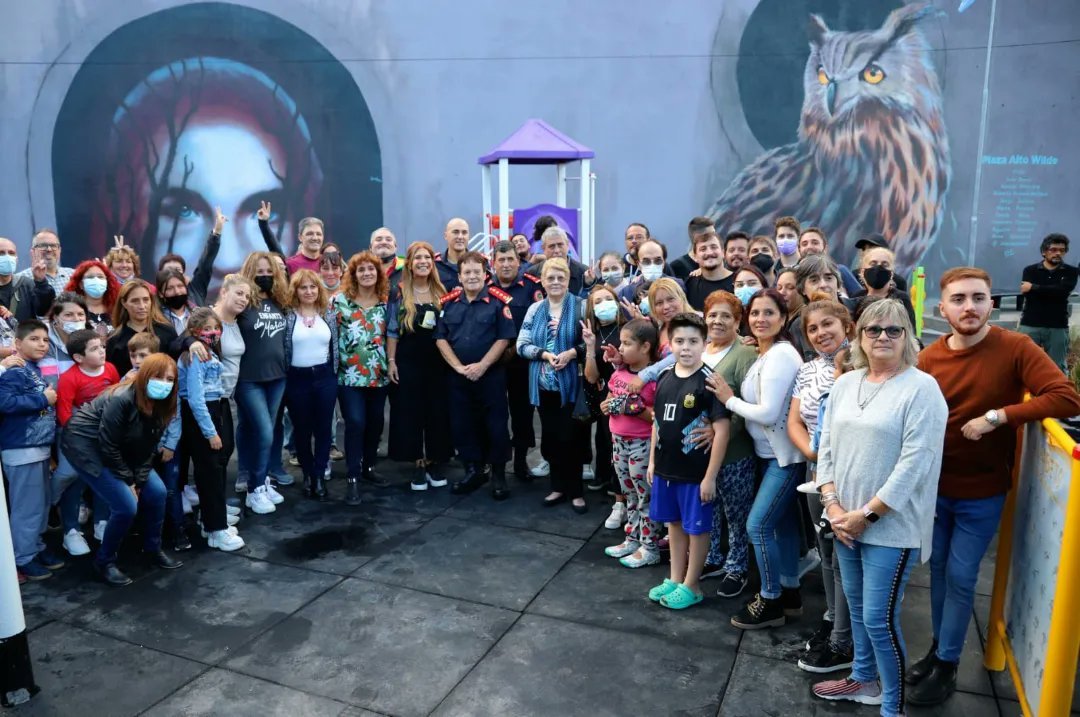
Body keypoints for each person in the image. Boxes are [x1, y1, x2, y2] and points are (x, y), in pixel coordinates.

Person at [911, 267, 1080, 706]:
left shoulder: (1015, 347)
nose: (969, 307)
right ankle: (939, 649)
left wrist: (998, 417)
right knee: (938, 572)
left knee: (962, 575)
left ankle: (948, 664)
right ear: (943, 308)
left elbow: (1066, 396)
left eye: (978, 298)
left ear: (991, 304)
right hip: (935, 490)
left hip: (982, 491)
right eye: (959, 299)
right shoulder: (929, 358)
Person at [811, 299, 948, 713]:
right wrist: (834, 507)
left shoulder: (922, 388)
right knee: (857, 610)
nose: (883, 337)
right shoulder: (845, 384)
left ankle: (893, 706)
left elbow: (915, 464)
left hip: (890, 527)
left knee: (879, 620)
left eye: (893, 330)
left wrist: (867, 515)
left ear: (907, 337)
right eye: (873, 329)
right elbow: (826, 448)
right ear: (860, 336)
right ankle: (863, 679)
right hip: (843, 521)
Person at [712, 288, 806, 630]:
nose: (760, 319)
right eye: (755, 313)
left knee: (758, 525)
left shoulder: (781, 355)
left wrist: (729, 399)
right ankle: (790, 592)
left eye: (769, 313)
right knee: (783, 524)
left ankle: (770, 599)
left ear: (783, 318)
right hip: (770, 455)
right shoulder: (766, 352)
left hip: (784, 458)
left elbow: (767, 413)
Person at [62, 353, 185, 585]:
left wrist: (138, 481)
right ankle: (104, 562)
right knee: (126, 506)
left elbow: (148, 447)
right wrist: (129, 482)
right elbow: (108, 445)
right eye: (158, 377)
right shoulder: (121, 398)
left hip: (124, 447)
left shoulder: (165, 402)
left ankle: (153, 549)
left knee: (158, 493)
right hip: (87, 446)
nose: (164, 383)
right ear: (145, 376)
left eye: (170, 379)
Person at [788, 297, 855, 674]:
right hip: (816, 472)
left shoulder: (862, 363)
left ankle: (846, 638)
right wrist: (814, 456)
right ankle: (832, 619)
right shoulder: (808, 369)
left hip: (851, 474)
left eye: (827, 324)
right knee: (825, 550)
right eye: (812, 328)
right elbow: (795, 421)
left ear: (846, 325)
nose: (820, 333)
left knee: (845, 555)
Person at [646, 312, 731, 609]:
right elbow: (657, 423)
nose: (686, 347)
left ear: (704, 343)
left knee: (697, 529)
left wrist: (710, 477)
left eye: (693, 341)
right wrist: (653, 462)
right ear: (669, 343)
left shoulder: (709, 381)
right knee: (674, 524)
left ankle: (692, 585)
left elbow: (722, 431)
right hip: (666, 470)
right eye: (679, 341)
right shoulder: (664, 376)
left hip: (695, 474)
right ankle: (675, 578)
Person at [435, 251, 516, 498]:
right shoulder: (448, 303)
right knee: (463, 424)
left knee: (496, 425)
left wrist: (482, 365)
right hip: (458, 377)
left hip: (490, 376)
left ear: (485, 275)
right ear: (459, 277)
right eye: (467, 272)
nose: (472, 276)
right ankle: (473, 471)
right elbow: (440, 338)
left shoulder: (498, 302)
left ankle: (499, 475)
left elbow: (504, 339)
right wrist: (458, 367)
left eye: (476, 272)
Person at [517, 258, 590, 511]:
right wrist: (544, 355)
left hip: (573, 386)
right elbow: (521, 345)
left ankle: (576, 491)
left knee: (573, 438)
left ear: (569, 280)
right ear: (542, 281)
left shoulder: (581, 306)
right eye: (551, 278)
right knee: (551, 438)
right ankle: (557, 487)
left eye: (561, 277)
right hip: (543, 387)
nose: (556, 282)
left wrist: (571, 353)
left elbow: (592, 342)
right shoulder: (535, 309)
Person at [698, 291, 757, 598]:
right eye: (712, 315)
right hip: (700, 454)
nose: (718, 321)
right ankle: (712, 557)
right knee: (710, 508)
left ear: (737, 321)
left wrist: (718, 434)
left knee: (736, 513)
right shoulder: (699, 349)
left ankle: (737, 567)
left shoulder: (745, 355)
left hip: (734, 452)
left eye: (725, 316)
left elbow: (747, 405)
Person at [0, 319, 63, 581]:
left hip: (38, 449)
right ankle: (23, 557)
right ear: (17, 343)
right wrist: (42, 399)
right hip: (21, 449)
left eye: (45, 340)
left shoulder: (34, 369)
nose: (42, 344)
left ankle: (35, 546)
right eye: (34, 339)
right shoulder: (14, 370)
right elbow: (4, 402)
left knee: (40, 504)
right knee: (27, 507)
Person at [178, 308, 245, 552]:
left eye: (216, 328)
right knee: (209, 472)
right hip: (203, 415)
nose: (213, 332)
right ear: (195, 332)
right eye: (207, 329)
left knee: (215, 471)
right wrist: (210, 432)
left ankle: (212, 522)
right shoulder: (196, 356)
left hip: (213, 408)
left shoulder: (208, 352)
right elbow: (195, 399)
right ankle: (216, 530)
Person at [388, 242, 453, 491]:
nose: (423, 261)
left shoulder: (443, 291)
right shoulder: (399, 293)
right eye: (418, 258)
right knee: (411, 412)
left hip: (438, 363)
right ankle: (417, 463)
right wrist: (391, 361)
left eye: (427, 257)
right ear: (410, 264)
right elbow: (392, 331)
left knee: (437, 412)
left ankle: (435, 460)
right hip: (408, 362)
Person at [597, 317, 659, 565]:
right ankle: (633, 538)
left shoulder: (652, 379)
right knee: (629, 494)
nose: (620, 348)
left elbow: (656, 416)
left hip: (641, 443)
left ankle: (650, 546)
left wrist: (634, 407)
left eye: (626, 343)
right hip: (619, 441)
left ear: (645, 346)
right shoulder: (620, 372)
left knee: (645, 496)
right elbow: (610, 397)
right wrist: (607, 404)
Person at [54, 329, 120, 557]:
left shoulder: (110, 369)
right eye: (94, 349)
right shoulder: (69, 378)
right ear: (78, 357)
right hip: (78, 436)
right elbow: (64, 413)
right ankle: (71, 530)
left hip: (105, 434)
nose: (102, 351)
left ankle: (102, 521)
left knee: (103, 477)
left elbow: (117, 396)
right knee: (75, 479)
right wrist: (80, 440)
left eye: (102, 346)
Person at [235, 252, 290, 514]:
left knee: (266, 430)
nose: (265, 276)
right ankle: (254, 487)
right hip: (248, 380)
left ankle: (262, 479)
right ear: (249, 273)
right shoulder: (242, 303)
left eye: (269, 271)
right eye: (260, 272)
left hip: (278, 378)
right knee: (264, 431)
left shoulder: (281, 300)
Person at [335, 251, 391, 504]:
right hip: (349, 376)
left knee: (376, 423)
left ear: (378, 273)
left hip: (379, 374)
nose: (367, 273)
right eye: (361, 270)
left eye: (371, 269)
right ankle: (353, 476)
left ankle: (369, 466)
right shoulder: (339, 302)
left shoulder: (386, 302)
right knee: (355, 422)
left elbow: (392, 335)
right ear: (353, 275)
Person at [489, 240, 544, 481]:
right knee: (494, 415)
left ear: (519, 261)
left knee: (523, 415)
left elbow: (540, 324)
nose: (506, 264)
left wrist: (516, 348)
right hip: (492, 364)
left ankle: (521, 461)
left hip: (522, 364)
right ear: (493, 263)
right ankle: (495, 464)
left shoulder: (531, 287)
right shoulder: (484, 287)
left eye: (511, 259)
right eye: (501, 260)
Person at [283, 269, 340, 499]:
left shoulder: (328, 313)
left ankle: (319, 474)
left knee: (324, 429)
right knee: (302, 430)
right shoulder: (288, 316)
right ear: (295, 291)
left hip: (325, 377)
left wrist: (334, 373)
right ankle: (307, 474)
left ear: (319, 289)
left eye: (313, 287)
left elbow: (334, 346)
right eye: (303, 287)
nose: (309, 291)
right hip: (297, 379)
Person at [581, 283, 624, 512]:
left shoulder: (628, 328)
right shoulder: (593, 334)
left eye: (607, 299)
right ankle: (606, 478)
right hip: (604, 395)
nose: (603, 304)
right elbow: (591, 376)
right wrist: (590, 348)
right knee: (604, 438)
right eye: (597, 302)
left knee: (619, 442)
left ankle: (621, 491)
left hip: (626, 394)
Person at [209, 274, 252, 490]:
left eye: (247, 296)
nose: (243, 299)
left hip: (224, 397)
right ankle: (211, 506)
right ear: (224, 292)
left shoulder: (237, 322)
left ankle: (217, 503)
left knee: (225, 450)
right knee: (214, 454)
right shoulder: (209, 320)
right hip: (208, 398)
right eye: (239, 293)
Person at [1019, 232, 1076, 370]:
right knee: (1024, 364)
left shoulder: (1071, 272)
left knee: (1057, 367)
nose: (1058, 253)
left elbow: (1062, 292)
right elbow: (1029, 295)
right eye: (1053, 250)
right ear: (1044, 252)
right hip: (1031, 324)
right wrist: (1053, 291)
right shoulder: (1030, 270)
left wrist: (1034, 287)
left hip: (1057, 326)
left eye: (1062, 250)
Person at [105, 279, 179, 376]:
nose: (142, 306)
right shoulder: (114, 339)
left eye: (146, 300)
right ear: (124, 303)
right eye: (135, 301)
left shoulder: (167, 331)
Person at [851, 246, 916, 328]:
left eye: (885, 265)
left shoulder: (901, 299)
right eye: (873, 264)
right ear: (862, 271)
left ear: (891, 273)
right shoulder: (856, 298)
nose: (879, 267)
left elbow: (911, 331)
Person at [259, 201, 325, 275]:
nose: (315, 238)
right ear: (300, 237)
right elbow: (275, 249)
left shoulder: (329, 263)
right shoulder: (290, 264)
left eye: (319, 234)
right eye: (310, 234)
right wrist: (263, 223)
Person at [525, 226, 594, 297]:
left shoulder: (583, 272)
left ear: (567, 245)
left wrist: (589, 284)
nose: (557, 250)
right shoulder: (532, 274)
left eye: (560, 245)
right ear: (543, 249)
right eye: (552, 246)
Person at [0, 237, 55, 322]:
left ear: (16, 259)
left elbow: (44, 311)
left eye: (11, 253)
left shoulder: (25, 284)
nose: (7, 257)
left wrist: (41, 282)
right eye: (1, 253)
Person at [798, 227, 862, 297]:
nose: (809, 247)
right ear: (799, 250)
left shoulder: (840, 270)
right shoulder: (794, 275)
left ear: (825, 248)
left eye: (815, 243)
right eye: (804, 244)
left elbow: (861, 298)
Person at [66, 259, 120, 336]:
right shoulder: (72, 310)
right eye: (90, 277)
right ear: (81, 284)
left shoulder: (118, 308)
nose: (96, 280)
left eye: (100, 277)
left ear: (107, 282)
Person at [684, 229, 734, 310]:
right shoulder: (689, 284)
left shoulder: (738, 282)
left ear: (723, 253)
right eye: (703, 249)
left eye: (713, 247)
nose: (709, 253)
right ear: (695, 257)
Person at [16, 229, 74, 294]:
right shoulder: (20, 280)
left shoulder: (73, 275)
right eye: (43, 245)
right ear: (33, 251)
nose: (49, 249)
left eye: (53, 245)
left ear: (59, 250)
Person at [668, 216, 714, 281]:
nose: (715, 237)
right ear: (697, 237)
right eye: (711, 235)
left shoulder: (718, 261)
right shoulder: (676, 267)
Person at [435, 217, 470, 290]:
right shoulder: (435, 265)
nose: (460, 237)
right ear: (445, 236)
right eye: (455, 232)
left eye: (464, 232)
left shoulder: (480, 263)